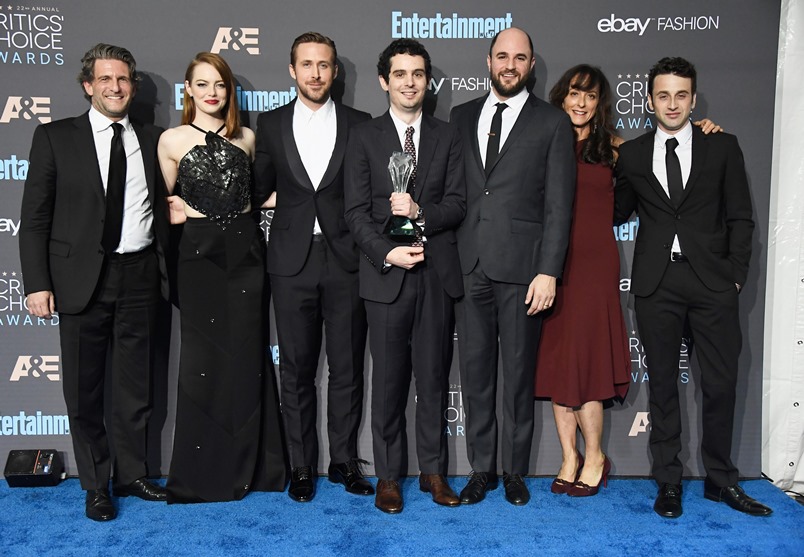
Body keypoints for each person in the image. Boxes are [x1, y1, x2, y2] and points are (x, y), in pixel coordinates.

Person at [614, 57, 772, 518]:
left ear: (693, 99)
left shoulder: (722, 146)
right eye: (663, 95)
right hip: (656, 284)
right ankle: (668, 481)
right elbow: (616, 211)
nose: (672, 103)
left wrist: (735, 275)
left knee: (720, 385)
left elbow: (741, 217)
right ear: (649, 100)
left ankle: (722, 481)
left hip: (712, 284)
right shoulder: (634, 154)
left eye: (681, 95)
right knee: (663, 386)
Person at [19, 43, 169, 521]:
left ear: (132, 85)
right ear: (88, 86)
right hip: (79, 281)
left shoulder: (153, 138)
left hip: (141, 275)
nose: (115, 87)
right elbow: (35, 219)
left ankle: (132, 473)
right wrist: (37, 283)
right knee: (84, 392)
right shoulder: (55, 137)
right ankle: (96, 484)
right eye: (105, 79)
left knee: (135, 389)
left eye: (123, 79)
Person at [449, 27, 576, 506]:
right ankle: (482, 469)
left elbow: (559, 205)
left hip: (524, 272)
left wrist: (549, 270)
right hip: (469, 264)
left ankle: (515, 471)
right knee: (477, 374)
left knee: (518, 376)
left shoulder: (551, 123)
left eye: (519, 58)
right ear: (488, 61)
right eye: (502, 56)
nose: (510, 65)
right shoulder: (460, 116)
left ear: (530, 66)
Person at [157, 52, 287, 503]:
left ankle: (258, 469)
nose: (212, 92)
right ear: (188, 91)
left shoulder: (247, 138)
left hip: (247, 252)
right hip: (198, 258)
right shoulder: (171, 140)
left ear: (229, 92)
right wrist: (180, 216)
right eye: (203, 84)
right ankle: (202, 475)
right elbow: (162, 206)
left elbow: (253, 196)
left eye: (220, 85)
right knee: (202, 364)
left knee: (249, 356)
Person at [344, 38, 466, 514]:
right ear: (384, 81)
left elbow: (457, 204)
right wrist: (388, 252)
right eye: (400, 74)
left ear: (427, 80)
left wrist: (421, 212)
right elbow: (354, 212)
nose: (409, 82)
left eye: (418, 74)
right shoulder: (364, 136)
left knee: (433, 380)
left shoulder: (447, 135)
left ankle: (434, 472)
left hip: (435, 275)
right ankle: (389, 477)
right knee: (389, 383)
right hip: (385, 277)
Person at [253, 32, 372, 503]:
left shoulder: (361, 123)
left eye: (324, 65)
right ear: (292, 70)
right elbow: (257, 185)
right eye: (307, 64)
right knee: (296, 371)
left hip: (346, 259)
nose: (316, 73)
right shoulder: (271, 123)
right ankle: (301, 466)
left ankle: (343, 462)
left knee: (346, 369)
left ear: (335, 71)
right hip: (290, 261)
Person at [534, 65, 630, 497]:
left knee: (587, 359)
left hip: (594, 267)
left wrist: (702, 129)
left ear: (600, 104)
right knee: (558, 360)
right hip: (551, 265)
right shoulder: (545, 142)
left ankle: (595, 457)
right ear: (562, 96)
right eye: (575, 93)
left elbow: (626, 207)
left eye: (590, 97)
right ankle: (569, 456)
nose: (580, 103)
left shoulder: (616, 150)